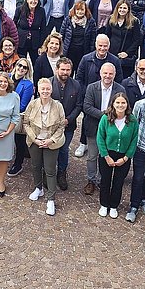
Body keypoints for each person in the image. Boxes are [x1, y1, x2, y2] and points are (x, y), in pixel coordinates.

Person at [23, 74, 67, 215]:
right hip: (34, 140)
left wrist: (51, 140)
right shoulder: (33, 104)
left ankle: (51, 199)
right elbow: (26, 123)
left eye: (48, 89)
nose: (45, 91)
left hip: (51, 142)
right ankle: (38, 188)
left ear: (51, 90)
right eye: (43, 89)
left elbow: (61, 126)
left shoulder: (58, 106)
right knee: (35, 166)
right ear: (38, 90)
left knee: (50, 169)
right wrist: (34, 138)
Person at [79, 62, 122, 197]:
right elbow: (86, 107)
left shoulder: (120, 90)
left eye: (110, 73)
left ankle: (101, 179)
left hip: (111, 129)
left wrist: (110, 117)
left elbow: (123, 108)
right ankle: (91, 180)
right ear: (100, 74)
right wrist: (104, 115)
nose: (107, 76)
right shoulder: (92, 88)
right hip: (93, 126)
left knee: (105, 156)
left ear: (114, 74)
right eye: (105, 73)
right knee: (92, 156)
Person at [95, 90, 137, 218]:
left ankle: (113, 206)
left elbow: (134, 140)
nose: (120, 105)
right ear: (113, 104)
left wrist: (125, 158)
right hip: (107, 154)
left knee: (118, 182)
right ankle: (104, 204)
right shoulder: (105, 118)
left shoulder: (132, 120)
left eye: (123, 103)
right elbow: (100, 138)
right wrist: (106, 156)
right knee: (105, 180)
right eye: (117, 102)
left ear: (127, 104)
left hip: (123, 156)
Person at [53, 57, 83, 192]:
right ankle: (48, 173)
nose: (65, 72)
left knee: (64, 149)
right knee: (51, 149)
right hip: (51, 125)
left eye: (68, 70)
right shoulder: (49, 83)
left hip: (68, 126)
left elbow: (79, 106)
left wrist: (69, 119)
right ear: (57, 69)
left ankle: (61, 173)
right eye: (63, 69)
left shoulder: (76, 85)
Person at [7, 58, 35, 175]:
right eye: (20, 65)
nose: (21, 68)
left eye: (25, 67)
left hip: (16, 116)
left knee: (19, 141)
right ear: (16, 65)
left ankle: (18, 164)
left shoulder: (28, 84)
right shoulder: (6, 76)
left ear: (27, 70)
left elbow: (22, 105)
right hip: (2, 115)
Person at [105, 1, 143, 78]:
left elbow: (137, 40)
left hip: (126, 56)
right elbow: (107, 36)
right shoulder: (111, 19)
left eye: (124, 8)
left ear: (128, 9)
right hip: (112, 53)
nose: (122, 10)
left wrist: (127, 53)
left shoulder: (134, 21)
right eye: (120, 8)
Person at [61, 1, 97, 68]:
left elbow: (93, 39)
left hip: (83, 52)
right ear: (74, 10)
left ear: (85, 10)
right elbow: (62, 35)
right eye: (78, 9)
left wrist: (91, 52)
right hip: (69, 52)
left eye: (82, 9)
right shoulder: (68, 20)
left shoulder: (91, 21)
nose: (80, 12)